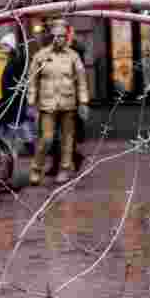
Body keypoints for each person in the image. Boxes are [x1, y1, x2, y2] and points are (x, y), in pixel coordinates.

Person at [28, 18, 89, 186]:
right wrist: (31, 102)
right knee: (46, 138)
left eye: (61, 36)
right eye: (55, 36)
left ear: (66, 37)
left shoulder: (73, 56)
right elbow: (32, 80)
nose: (58, 39)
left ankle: (64, 169)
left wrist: (83, 102)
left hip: (68, 103)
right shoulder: (41, 56)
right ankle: (36, 168)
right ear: (50, 36)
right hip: (47, 104)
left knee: (67, 138)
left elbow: (82, 81)